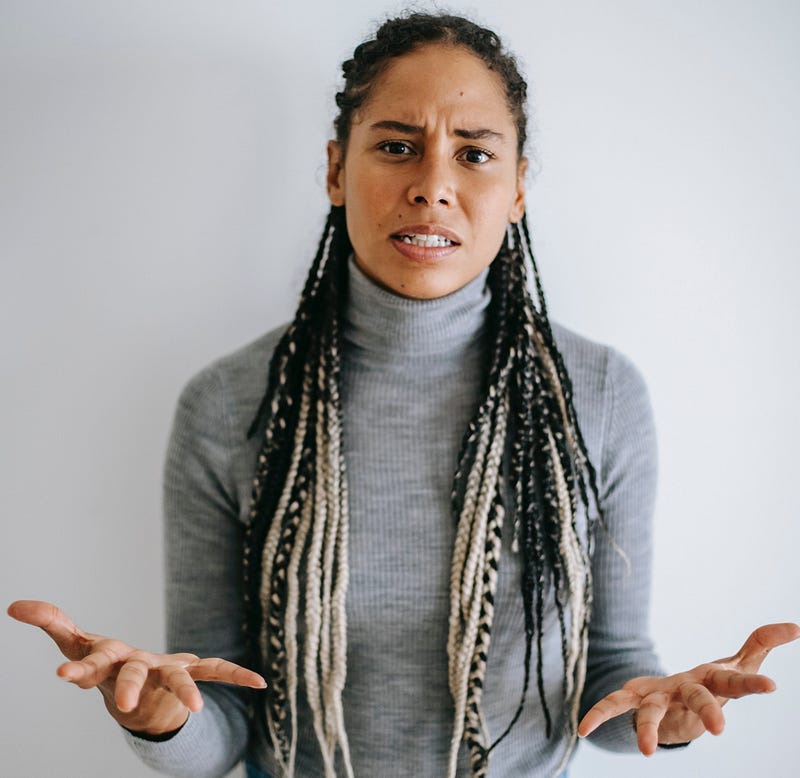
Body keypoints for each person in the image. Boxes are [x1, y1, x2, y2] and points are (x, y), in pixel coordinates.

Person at [8, 11, 798, 778]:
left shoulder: (599, 396)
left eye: (475, 155)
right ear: (334, 170)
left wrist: (673, 715)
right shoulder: (229, 406)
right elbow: (225, 712)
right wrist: (160, 717)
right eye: (396, 146)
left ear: (518, 187)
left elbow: (614, 684)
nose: (433, 186)